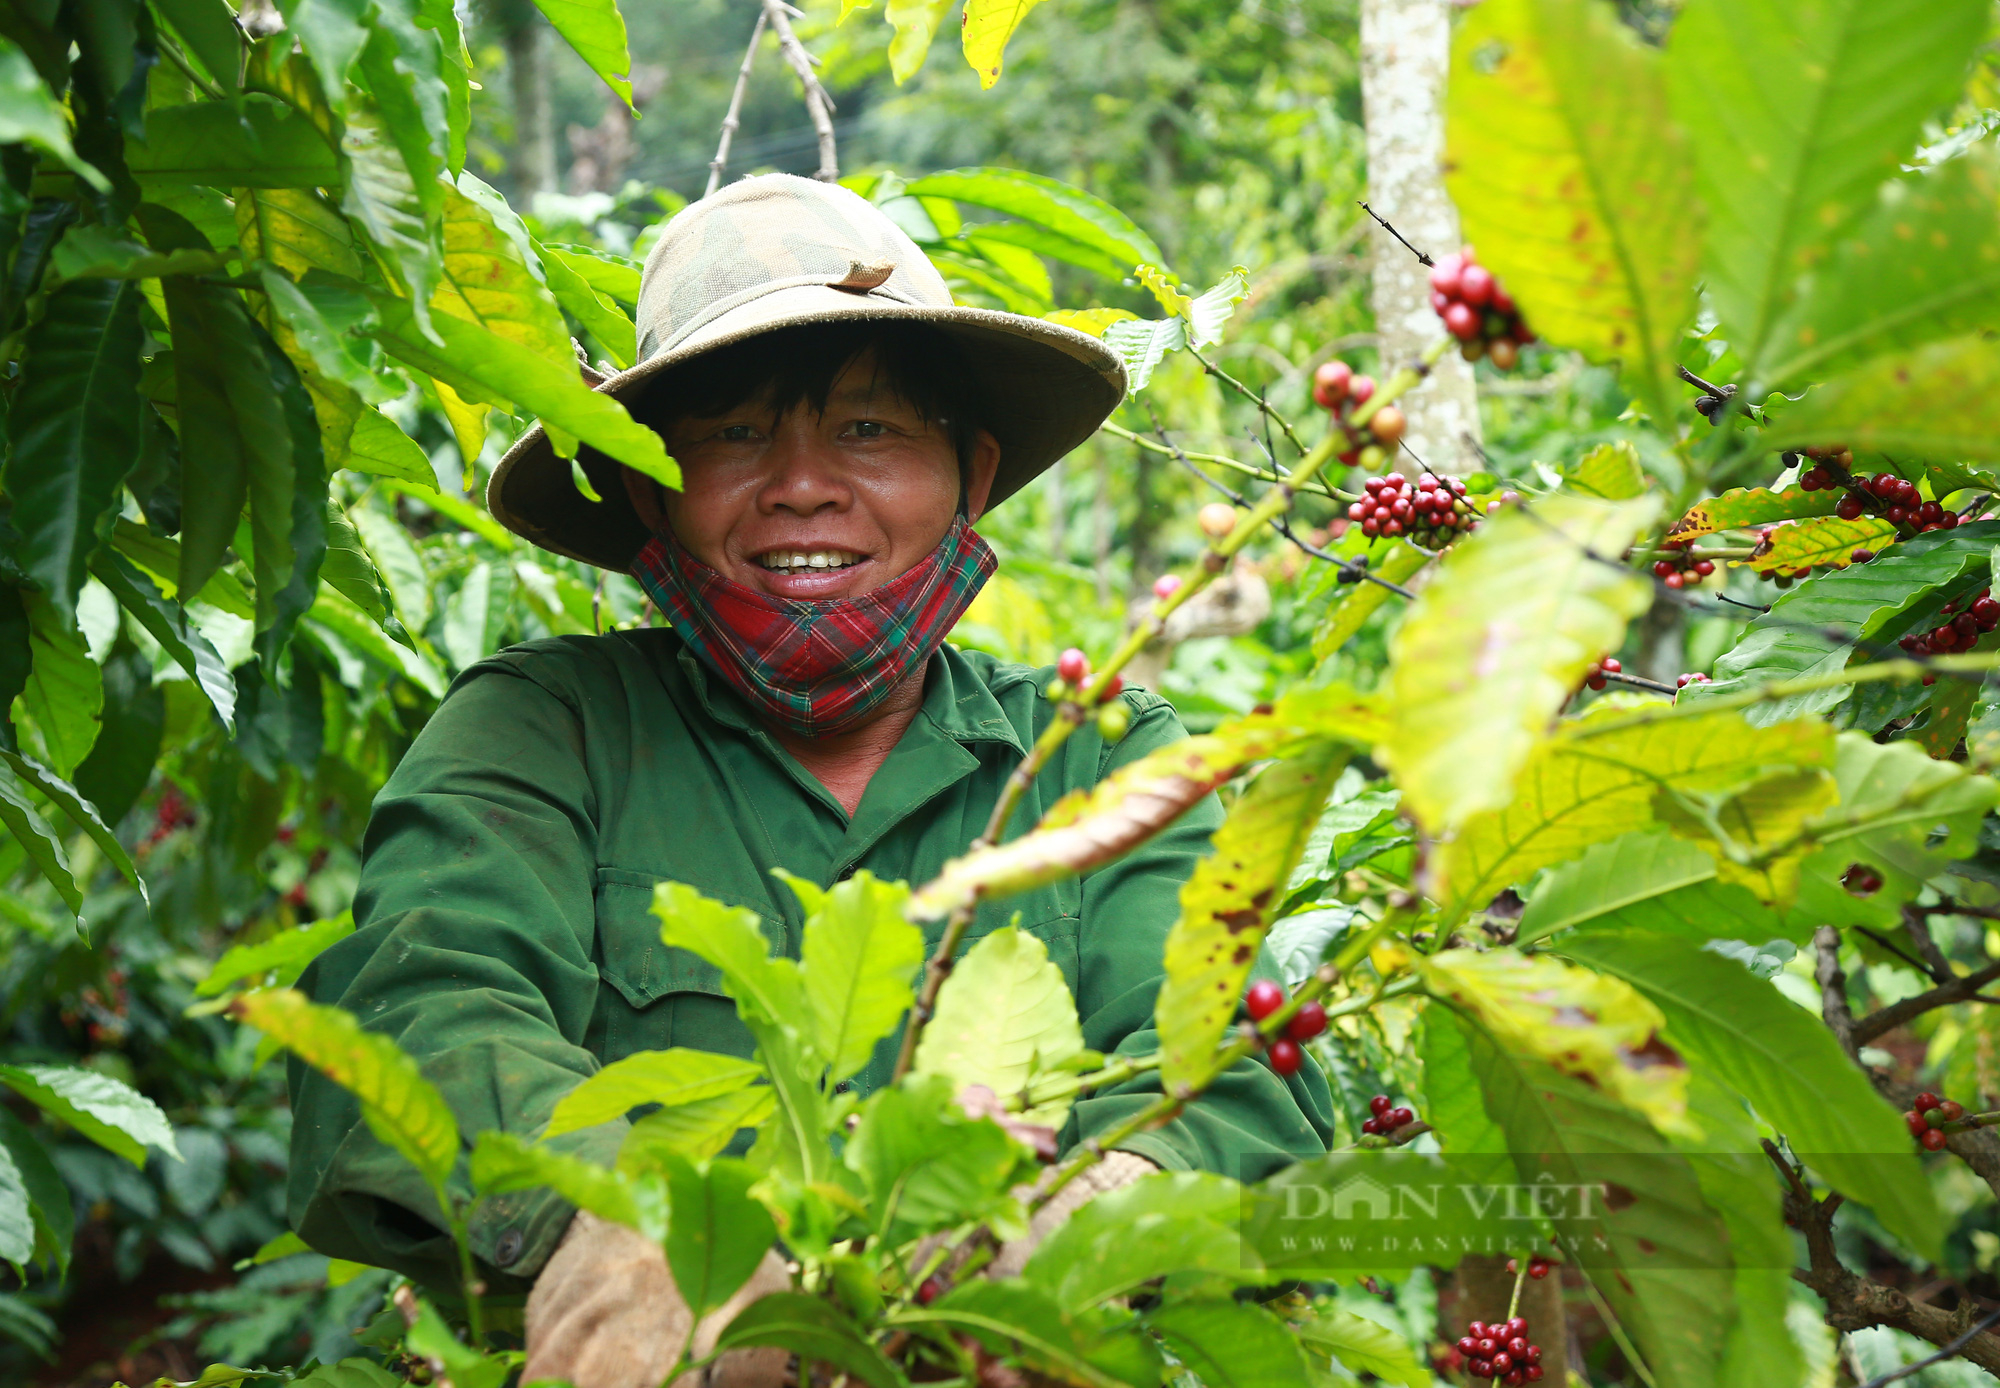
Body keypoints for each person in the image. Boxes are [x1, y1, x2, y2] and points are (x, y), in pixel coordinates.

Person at [287, 174, 1333, 1387]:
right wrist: (617, 1224)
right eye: (733, 434)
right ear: (645, 483)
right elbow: (422, 1006)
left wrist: (1087, 1211)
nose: (800, 485)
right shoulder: (542, 729)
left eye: (869, 430)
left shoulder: (1099, 755)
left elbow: (1229, 1071)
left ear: (971, 471)